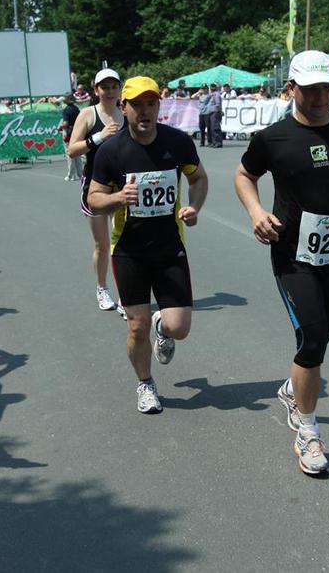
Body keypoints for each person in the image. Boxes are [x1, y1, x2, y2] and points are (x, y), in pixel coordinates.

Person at [234, 50, 329, 475]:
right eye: (310, 89)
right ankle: (308, 430)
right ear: (291, 89)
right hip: (291, 254)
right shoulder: (272, 138)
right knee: (314, 337)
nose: (320, 97)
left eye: (326, 88)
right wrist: (256, 212)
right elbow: (244, 175)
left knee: (321, 336)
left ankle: (293, 389)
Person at [86, 76, 209, 414]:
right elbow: (94, 198)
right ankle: (146, 383)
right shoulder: (111, 151)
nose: (145, 111)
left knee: (179, 328)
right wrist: (118, 198)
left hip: (169, 248)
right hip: (129, 251)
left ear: (159, 106)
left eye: (151, 103)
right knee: (137, 327)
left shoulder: (177, 142)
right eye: (137, 104)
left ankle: (162, 326)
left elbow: (198, 177)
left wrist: (195, 207)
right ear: (123, 107)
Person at [67, 68, 127, 316]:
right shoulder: (88, 114)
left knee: (123, 243)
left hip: (122, 187)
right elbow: (72, 150)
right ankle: (102, 288)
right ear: (96, 90)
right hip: (95, 186)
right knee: (102, 244)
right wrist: (99, 137)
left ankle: (126, 295)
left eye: (114, 87)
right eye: (105, 87)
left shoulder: (126, 114)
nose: (110, 92)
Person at [59, 93, 83, 181]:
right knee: (77, 154)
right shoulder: (77, 109)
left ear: (68, 99)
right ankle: (80, 174)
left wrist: (60, 127)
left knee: (69, 153)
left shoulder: (66, 110)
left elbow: (66, 123)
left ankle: (71, 175)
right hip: (77, 131)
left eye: (65, 98)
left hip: (68, 133)